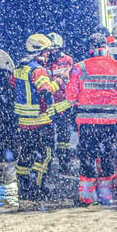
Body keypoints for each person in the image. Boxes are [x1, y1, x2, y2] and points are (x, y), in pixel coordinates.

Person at [65, 32, 117, 205]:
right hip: (110, 123)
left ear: (90, 48)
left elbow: (70, 96)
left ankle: (86, 198)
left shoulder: (80, 67)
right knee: (108, 157)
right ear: (106, 46)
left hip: (87, 123)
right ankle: (106, 195)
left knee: (87, 157)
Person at [11, 33, 60, 201]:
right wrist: (59, 82)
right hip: (40, 121)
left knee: (25, 155)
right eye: (46, 52)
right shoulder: (38, 71)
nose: (48, 55)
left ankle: (23, 189)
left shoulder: (19, 68)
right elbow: (46, 91)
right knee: (44, 156)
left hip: (23, 123)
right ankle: (38, 188)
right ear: (38, 51)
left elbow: (13, 85)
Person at [46, 32, 75, 167]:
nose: (53, 52)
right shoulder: (46, 61)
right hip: (49, 104)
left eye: (55, 49)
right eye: (51, 49)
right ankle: (48, 160)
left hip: (63, 103)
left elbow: (69, 79)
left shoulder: (68, 60)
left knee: (64, 134)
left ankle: (64, 161)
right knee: (49, 135)